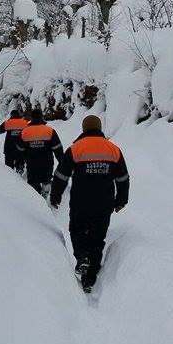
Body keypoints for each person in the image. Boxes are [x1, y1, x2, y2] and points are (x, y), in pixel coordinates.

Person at [50, 115, 129, 292]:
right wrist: (121, 200)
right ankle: (90, 278)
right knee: (97, 237)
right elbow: (123, 178)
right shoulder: (113, 149)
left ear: (84, 129)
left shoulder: (76, 148)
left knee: (77, 230)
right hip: (105, 203)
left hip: (80, 201)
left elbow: (61, 175)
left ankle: (82, 257)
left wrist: (55, 196)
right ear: (99, 128)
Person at [17, 108, 63, 196]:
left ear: (31, 118)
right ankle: (46, 189)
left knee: (33, 183)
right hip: (47, 162)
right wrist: (63, 163)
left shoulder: (24, 132)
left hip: (31, 163)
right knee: (46, 179)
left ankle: (36, 200)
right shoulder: (50, 131)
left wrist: (20, 162)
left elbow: (20, 149)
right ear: (41, 117)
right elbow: (58, 149)